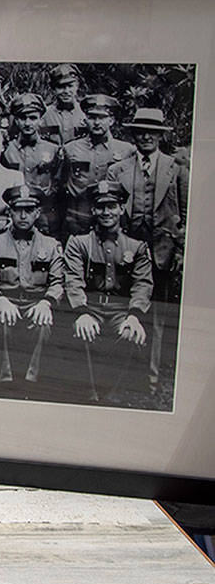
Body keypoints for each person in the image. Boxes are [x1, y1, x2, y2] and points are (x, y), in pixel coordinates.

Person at [106, 108, 187, 391]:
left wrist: (178, 251)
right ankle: (125, 375)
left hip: (163, 254)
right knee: (129, 309)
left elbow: (185, 216)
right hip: (129, 253)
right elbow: (111, 211)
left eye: (152, 132)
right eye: (140, 131)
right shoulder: (119, 169)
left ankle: (151, 378)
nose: (146, 136)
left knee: (158, 318)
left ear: (160, 136)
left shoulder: (175, 169)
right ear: (133, 135)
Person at [62, 180, 153, 402]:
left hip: (121, 310)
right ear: (93, 210)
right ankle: (90, 395)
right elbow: (73, 280)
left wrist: (134, 316)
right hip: (89, 306)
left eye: (112, 206)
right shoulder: (79, 243)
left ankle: (114, 392)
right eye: (101, 207)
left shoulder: (136, 246)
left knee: (130, 334)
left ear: (121, 209)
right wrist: (81, 312)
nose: (106, 212)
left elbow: (142, 284)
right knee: (84, 332)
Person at [0, 184, 64, 387]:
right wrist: (0, 300)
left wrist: (46, 303)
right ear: (9, 212)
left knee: (43, 324)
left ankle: (31, 381)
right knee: (3, 320)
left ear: (38, 213)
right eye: (17, 210)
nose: (23, 216)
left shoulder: (50, 245)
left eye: (29, 210)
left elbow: (58, 282)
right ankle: (5, 380)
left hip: (36, 303)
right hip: (5, 301)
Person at [59, 94, 134, 235]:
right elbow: (62, 184)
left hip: (111, 219)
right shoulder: (70, 149)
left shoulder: (126, 150)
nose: (97, 123)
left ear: (111, 120)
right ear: (85, 120)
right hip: (78, 218)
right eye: (92, 117)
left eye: (102, 118)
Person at [2, 93, 60, 233]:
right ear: (16, 120)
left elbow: (58, 182)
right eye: (23, 118)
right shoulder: (6, 150)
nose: (28, 123)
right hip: (14, 214)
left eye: (33, 118)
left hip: (43, 213)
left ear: (41, 120)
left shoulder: (53, 149)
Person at [40, 64, 88, 144]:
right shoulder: (45, 115)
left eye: (70, 86)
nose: (66, 91)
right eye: (61, 87)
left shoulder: (85, 114)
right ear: (53, 89)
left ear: (77, 86)